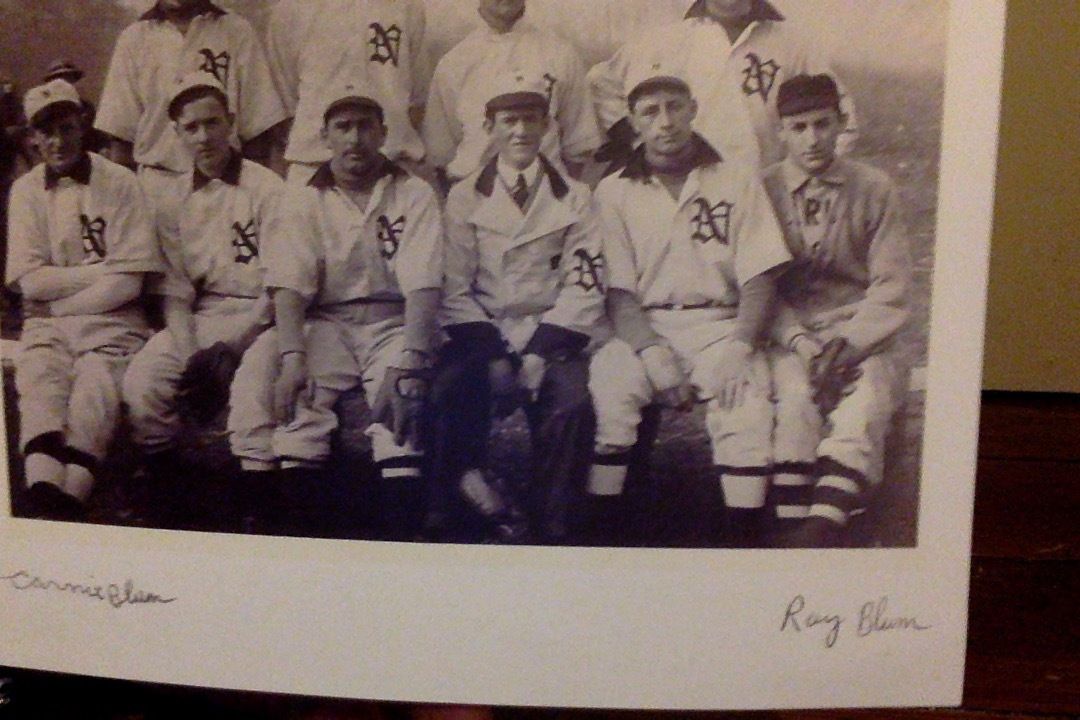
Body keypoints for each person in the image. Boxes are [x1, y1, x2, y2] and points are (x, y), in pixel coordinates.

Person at [585, 66, 791, 547]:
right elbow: (618, 289)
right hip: (648, 325)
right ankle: (601, 536)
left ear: (694, 109)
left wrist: (742, 345)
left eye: (675, 107)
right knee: (612, 390)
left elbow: (760, 273)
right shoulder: (613, 191)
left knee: (744, 407)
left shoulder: (736, 178)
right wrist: (650, 352)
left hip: (722, 323)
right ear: (633, 122)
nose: (665, 122)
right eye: (650, 112)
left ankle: (743, 541)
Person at [227, 88, 443, 539]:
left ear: (383, 133)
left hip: (394, 320)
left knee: (402, 411)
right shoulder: (303, 198)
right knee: (301, 411)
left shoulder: (414, 192)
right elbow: (290, 284)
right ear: (325, 137)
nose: (355, 138)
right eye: (343, 127)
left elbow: (423, 284)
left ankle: (403, 547)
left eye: (365, 126)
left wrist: (413, 360)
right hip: (327, 321)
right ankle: (304, 543)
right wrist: (293, 358)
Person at [429, 72, 606, 543]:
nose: (521, 132)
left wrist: (535, 354)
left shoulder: (576, 196)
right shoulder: (465, 196)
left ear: (547, 125)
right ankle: (464, 508)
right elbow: (453, 286)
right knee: (447, 391)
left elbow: (584, 284)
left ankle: (552, 522)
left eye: (531, 120)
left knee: (570, 404)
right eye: (509, 121)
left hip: (549, 330)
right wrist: (493, 357)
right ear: (489, 127)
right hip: (481, 329)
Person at [121, 74, 283, 530]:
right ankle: (171, 491)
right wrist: (194, 354)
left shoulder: (268, 188)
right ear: (176, 133)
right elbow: (175, 290)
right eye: (190, 128)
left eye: (213, 123)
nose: (204, 136)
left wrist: (234, 346)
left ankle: (262, 506)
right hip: (202, 314)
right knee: (142, 382)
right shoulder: (171, 199)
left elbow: (282, 283)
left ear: (231, 123)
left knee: (252, 389)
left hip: (262, 316)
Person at [763, 74, 911, 548]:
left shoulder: (874, 187)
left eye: (822, 124)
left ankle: (824, 524)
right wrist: (801, 342)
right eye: (798, 127)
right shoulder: (762, 190)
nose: (812, 139)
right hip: (792, 331)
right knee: (794, 395)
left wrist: (849, 346)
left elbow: (892, 284)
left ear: (841, 123)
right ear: (780, 131)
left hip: (858, 327)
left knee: (866, 394)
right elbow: (757, 283)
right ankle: (791, 516)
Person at [5, 80, 162, 521]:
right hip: (50, 322)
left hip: (113, 318)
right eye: (46, 132)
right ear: (33, 138)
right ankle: (42, 495)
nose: (58, 142)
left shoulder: (121, 182)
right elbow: (29, 281)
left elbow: (129, 284)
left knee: (96, 387)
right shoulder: (26, 190)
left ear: (84, 126)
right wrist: (101, 271)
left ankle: (68, 502)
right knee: (40, 381)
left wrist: (62, 299)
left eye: (67, 128)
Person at [588, 0, 855, 171]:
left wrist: (810, 172)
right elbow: (601, 83)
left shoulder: (792, 43)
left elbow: (843, 113)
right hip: (689, 186)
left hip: (767, 188)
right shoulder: (667, 39)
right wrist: (637, 142)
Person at [95, 0, 286, 207]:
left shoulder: (235, 31)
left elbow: (257, 131)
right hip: (157, 191)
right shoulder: (134, 38)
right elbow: (121, 138)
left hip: (225, 185)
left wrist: (249, 198)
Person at [421, 0, 601, 188]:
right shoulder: (454, 63)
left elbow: (578, 145)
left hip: (544, 197)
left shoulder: (560, 54)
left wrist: (552, 198)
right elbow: (441, 153)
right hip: (475, 199)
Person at [265, 0, 429, 185]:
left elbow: (417, 101)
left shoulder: (407, 6)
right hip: (313, 166)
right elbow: (285, 105)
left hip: (392, 165)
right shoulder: (289, 10)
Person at [41, 58, 106, 154]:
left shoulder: (86, 107)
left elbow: (98, 137)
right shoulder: (43, 110)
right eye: (59, 80)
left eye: (69, 79)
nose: (64, 84)